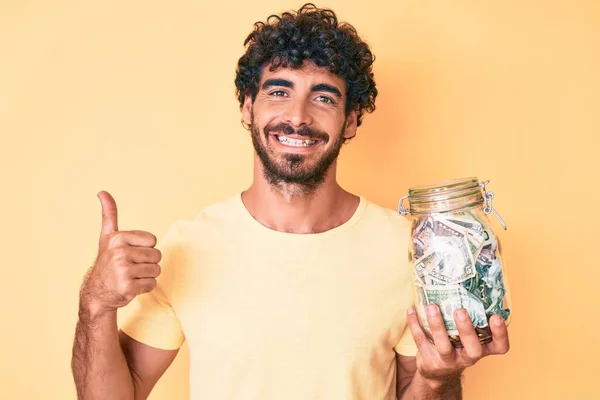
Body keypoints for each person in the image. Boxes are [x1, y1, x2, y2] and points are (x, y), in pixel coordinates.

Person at [70, 3, 510, 399]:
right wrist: (96, 303)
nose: (298, 116)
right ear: (248, 108)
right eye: (279, 91)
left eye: (323, 97)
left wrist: (437, 381)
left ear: (351, 120)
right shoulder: (189, 245)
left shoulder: (409, 248)